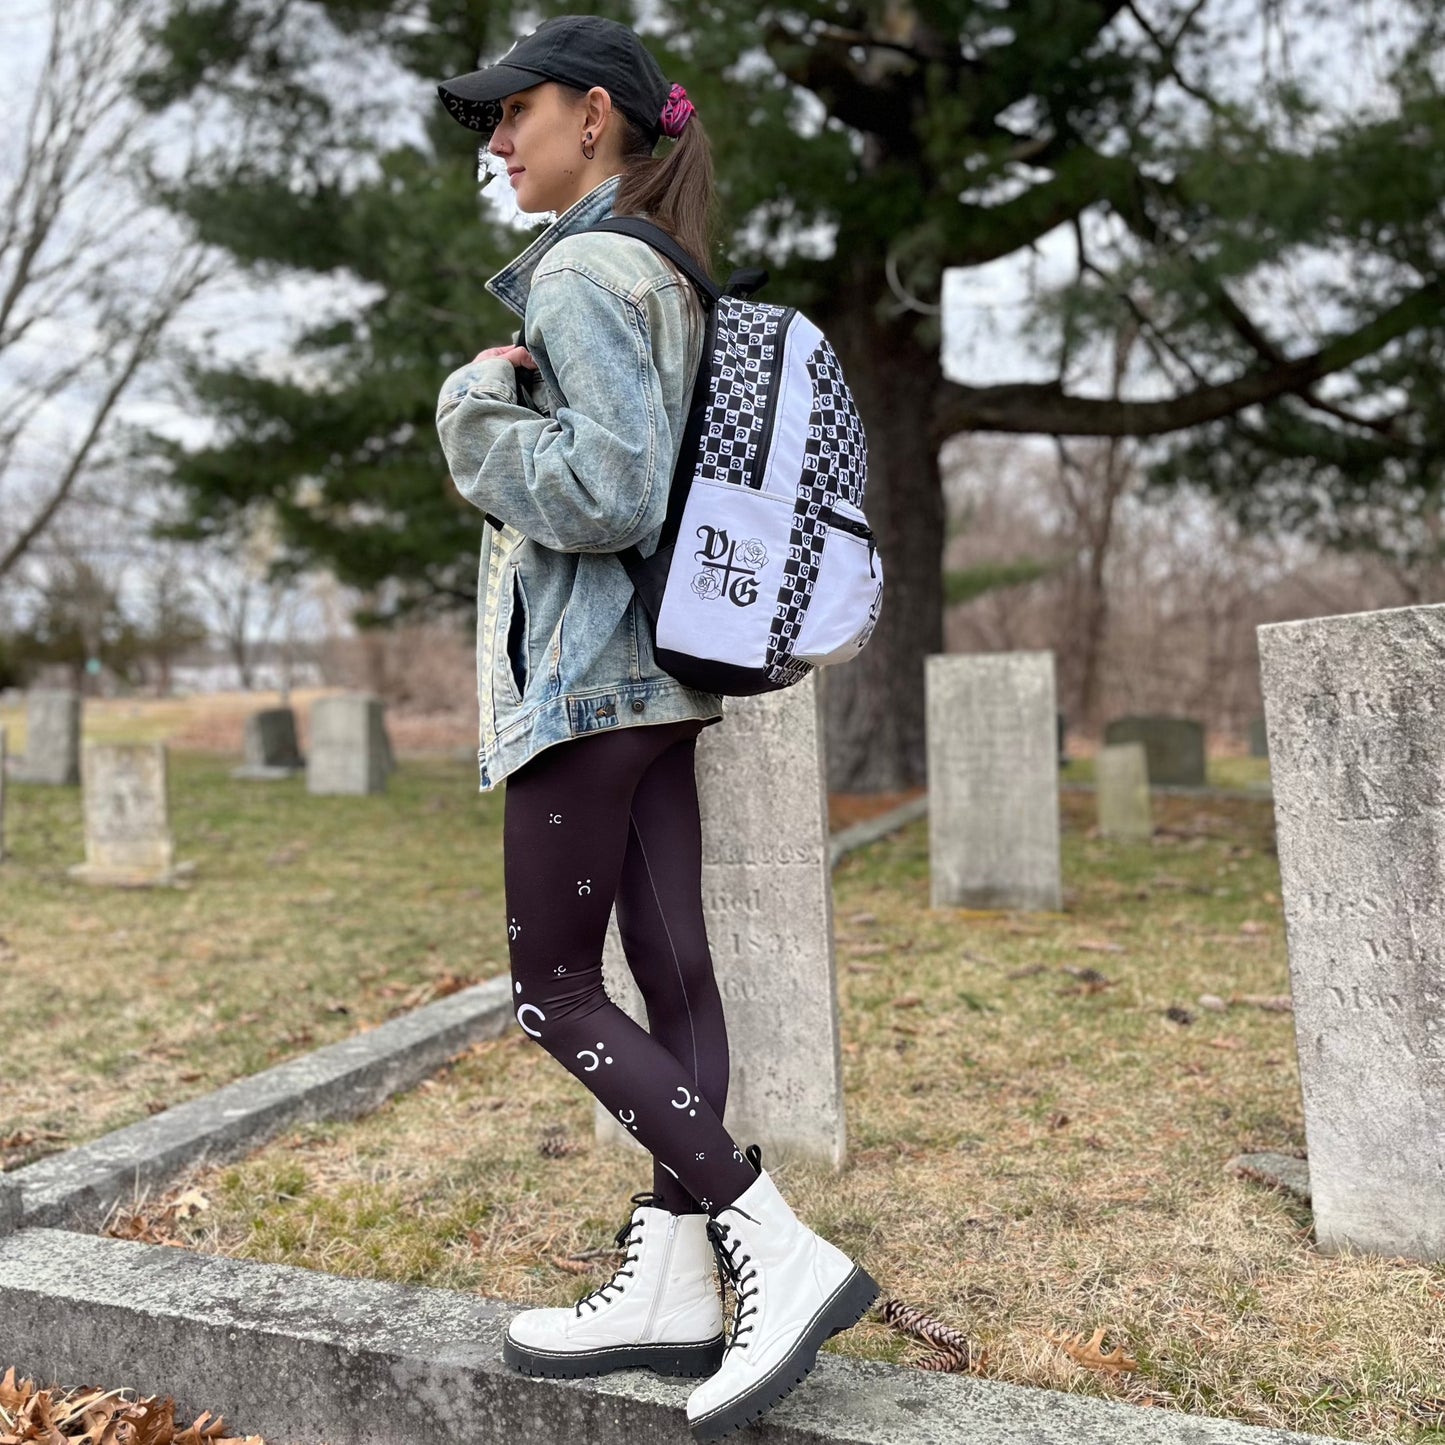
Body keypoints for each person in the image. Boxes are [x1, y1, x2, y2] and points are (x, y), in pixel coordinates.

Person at [433, 17, 878, 1440]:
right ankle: (676, 1283)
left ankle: (771, 1243)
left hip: (584, 685)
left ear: (595, 117)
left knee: (551, 990)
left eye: (512, 113)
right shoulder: (665, 273)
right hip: (660, 680)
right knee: (673, 971)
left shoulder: (584, 270)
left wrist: (469, 413)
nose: (495, 143)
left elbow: (610, 489)